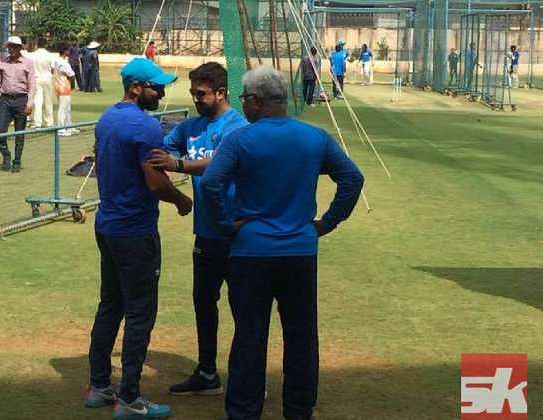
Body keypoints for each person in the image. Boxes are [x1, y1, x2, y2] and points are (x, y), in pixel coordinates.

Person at [200, 66, 364, 420]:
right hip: (300, 251)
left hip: (250, 251)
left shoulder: (241, 140)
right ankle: (299, 410)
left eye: (244, 99)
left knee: (249, 337)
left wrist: (226, 225)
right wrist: (327, 223)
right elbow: (352, 178)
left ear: (257, 102)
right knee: (302, 337)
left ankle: (244, 412)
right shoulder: (314, 137)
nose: (243, 105)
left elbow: (212, 184)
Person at [85, 57, 192, 420]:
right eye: (155, 86)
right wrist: (181, 199)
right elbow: (155, 182)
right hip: (135, 230)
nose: (160, 92)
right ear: (135, 88)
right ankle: (129, 397)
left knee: (110, 305)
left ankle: (99, 385)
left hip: (108, 226)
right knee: (140, 312)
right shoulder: (145, 127)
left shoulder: (107, 119)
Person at [146, 62, 248, 397]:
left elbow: (220, 161)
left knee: (245, 307)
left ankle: (248, 379)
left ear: (221, 92)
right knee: (204, 302)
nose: (196, 99)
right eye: (193, 93)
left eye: (201, 93)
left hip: (238, 233)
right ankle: (207, 373)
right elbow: (161, 149)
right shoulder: (191, 126)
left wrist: (178, 165)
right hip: (206, 232)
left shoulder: (238, 126)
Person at [0, 36, 35, 173]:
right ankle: (6, 155)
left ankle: (17, 160)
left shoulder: (28, 63)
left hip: (21, 99)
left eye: (15, 46)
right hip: (5, 100)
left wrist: (30, 102)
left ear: (20, 48)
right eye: (10, 46)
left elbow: (32, 84)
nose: (12, 49)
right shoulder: (3, 63)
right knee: (0, 131)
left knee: (19, 133)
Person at [29, 37, 56, 128]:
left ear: (37, 44)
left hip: (36, 78)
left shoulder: (32, 55)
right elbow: (53, 69)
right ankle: (49, 122)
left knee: (37, 101)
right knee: (48, 101)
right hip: (47, 77)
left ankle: (37, 122)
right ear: (45, 45)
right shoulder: (50, 55)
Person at [52, 44, 77, 136]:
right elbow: (72, 75)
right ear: (65, 51)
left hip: (57, 85)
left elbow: (52, 70)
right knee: (63, 108)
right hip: (64, 86)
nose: (69, 52)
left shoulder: (55, 60)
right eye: (68, 51)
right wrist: (73, 86)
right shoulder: (64, 63)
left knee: (66, 107)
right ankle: (61, 129)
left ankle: (68, 126)